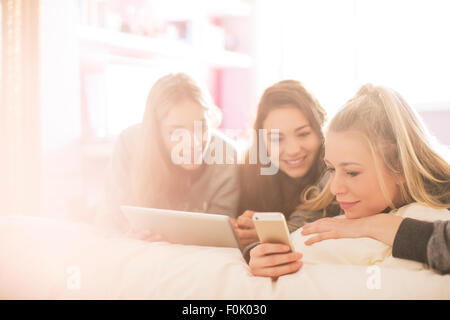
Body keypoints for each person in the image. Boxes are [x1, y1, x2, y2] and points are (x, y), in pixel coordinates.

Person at [248, 84, 450, 277]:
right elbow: (289, 236)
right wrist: (256, 253)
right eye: (331, 169)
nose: (335, 188)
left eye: (352, 173)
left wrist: (371, 225)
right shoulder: (332, 192)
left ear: (399, 166)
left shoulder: (443, 188)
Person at [94, 73, 240, 239]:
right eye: (176, 132)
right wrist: (126, 237)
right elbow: (106, 219)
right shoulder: (130, 143)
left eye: (202, 128)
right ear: (156, 132)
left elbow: (220, 235)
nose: (193, 143)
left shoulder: (227, 155)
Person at [234, 80, 340, 248]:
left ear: (321, 131)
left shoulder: (336, 168)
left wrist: (270, 234)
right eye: (276, 139)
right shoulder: (249, 170)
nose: (293, 150)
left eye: (303, 134)